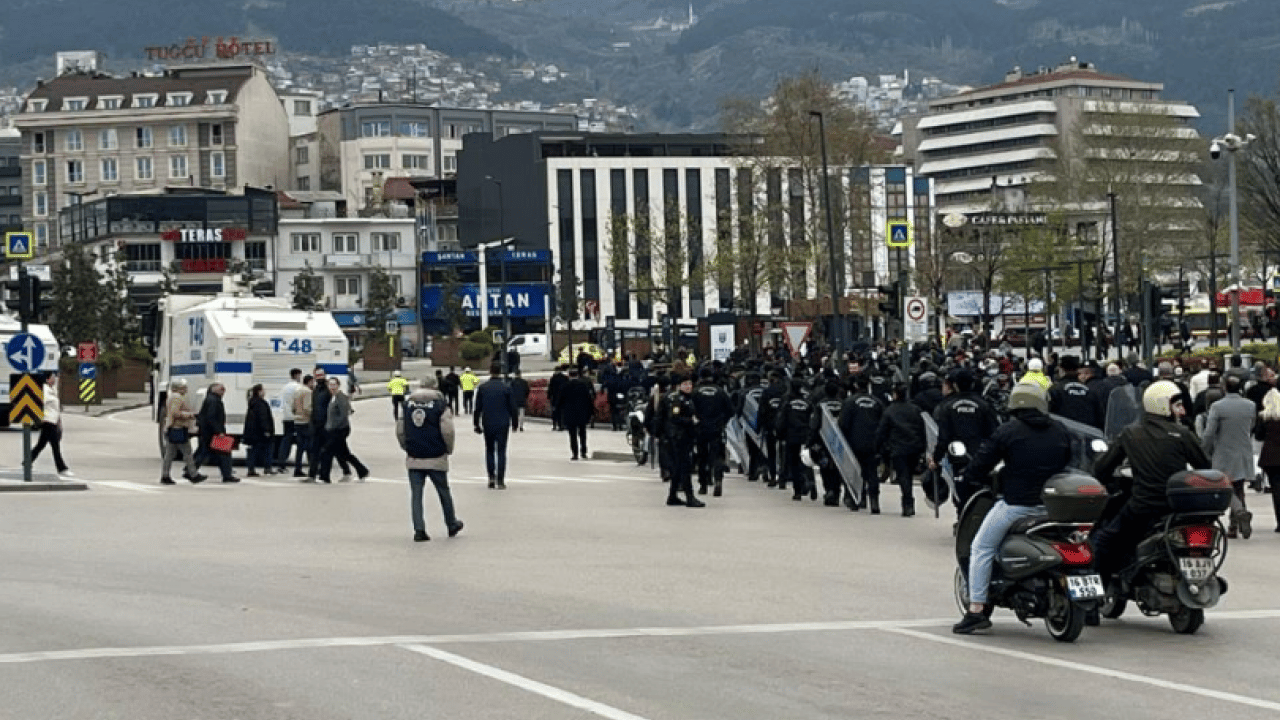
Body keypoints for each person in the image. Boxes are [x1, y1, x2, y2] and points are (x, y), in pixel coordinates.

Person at [953, 383, 1073, 634]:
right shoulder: (1060, 430)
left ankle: (976, 609)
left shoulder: (1008, 431)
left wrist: (968, 476)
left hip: (1018, 506)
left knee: (981, 547)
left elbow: (982, 462)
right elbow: (1067, 461)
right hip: (1054, 507)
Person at [1091, 381, 1212, 586]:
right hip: (1177, 507)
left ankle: (1097, 593)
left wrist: (1104, 477)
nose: (1182, 411)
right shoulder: (1182, 434)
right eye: (1177, 405)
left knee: (1103, 540)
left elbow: (1102, 468)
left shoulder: (1130, 434)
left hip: (1143, 506)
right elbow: (1205, 466)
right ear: (1163, 405)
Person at [397, 376, 464, 542]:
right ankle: (451, 523)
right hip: (436, 454)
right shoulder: (441, 405)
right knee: (443, 491)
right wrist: (448, 449)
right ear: (435, 387)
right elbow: (447, 431)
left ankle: (419, 529)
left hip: (414, 455)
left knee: (416, 494)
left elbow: (400, 429)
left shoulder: (407, 405)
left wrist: (406, 446)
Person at [931, 369, 1000, 510]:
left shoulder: (947, 407)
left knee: (960, 492)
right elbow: (995, 433)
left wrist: (936, 458)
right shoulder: (984, 405)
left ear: (955, 385)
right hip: (981, 457)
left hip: (958, 458)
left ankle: (962, 516)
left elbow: (944, 437)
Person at [1200, 375, 1256, 539]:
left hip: (1224, 452)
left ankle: (1238, 514)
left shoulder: (1217, 407)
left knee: (1224, 486)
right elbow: (1251, 426)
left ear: (1224, 387)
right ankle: (1235, 524)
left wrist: (1204, 450)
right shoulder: (1250, 405)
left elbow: (1209, 433)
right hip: (1243, 451)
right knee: (1239, 488)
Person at [875, 383, 926, 517]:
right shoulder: (915, 409)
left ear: (895, 394)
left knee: (903, 475)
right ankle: (908, 501)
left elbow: (882, 431)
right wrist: (923, 447)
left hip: (898, 447)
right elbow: (922, 428)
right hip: (914, 446)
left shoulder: (890, 411)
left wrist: (878, 447)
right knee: (908, 474)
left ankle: (908, 502)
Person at [840, 374, 885, 513]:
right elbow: (883, 423)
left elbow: (843, 424)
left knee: (855, 472)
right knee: (872, 473)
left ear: (856, 385)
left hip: (853, 443)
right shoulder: (877, 402)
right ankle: (874, 502)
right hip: (872, 443)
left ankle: (857, 499)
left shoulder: (849, 402)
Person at [473, 363, 519, 489]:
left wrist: (476, 424)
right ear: (500, 372)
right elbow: (513, 407)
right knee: (501, 451)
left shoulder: (483, 388)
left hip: (488, 422)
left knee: (489, 450)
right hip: (503, 423)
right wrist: (515, 423)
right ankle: (500, 479)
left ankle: (491, 477)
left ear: (490, 371)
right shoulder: (506, 388)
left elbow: (477, 408)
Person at [663, 373, 705, 508]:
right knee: (685, 467)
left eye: (690, 384)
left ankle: (672, 496)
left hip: (686, 436)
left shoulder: (689, 398)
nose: (688, 386)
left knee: (678, 467)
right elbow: (674, 417)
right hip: (680, 437)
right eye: (685, 384)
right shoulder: (678, 399)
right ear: (679, 386)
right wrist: (691, 421)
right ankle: (690, 497)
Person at [691, 368, 734, 496]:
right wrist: (722, 422)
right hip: (717, 428)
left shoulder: (695, 392)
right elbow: (731, 410)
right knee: (717, 455)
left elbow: (690, 409)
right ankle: (718, 480)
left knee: (702, 456)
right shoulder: (720, 392)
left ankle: (703, 484)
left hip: (700, 428)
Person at [322, 377, 369, 483]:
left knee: (326, 452)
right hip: (333, 429)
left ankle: (324, 477)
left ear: (338, 385)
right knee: (344, 453)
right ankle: (362, 471)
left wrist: (333, 427)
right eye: (330, 385)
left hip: (339, 430)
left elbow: (343, 415)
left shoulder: (341, 397)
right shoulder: (333, 397)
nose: (332, 387)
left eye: (334, 384)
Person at [159, 378, 204, 485]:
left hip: (173, 428)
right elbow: (175, 413)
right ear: (178, 388)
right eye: (184, 387)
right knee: (187, 452)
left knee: (170, 454)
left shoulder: (172, 396)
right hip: (178, 428)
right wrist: (190, 415)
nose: (186, 389)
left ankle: (165, 475)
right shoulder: (177, 397)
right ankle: (193, 474)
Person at [195, 383, 238, 483]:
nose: (223, 392)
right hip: (213, 433)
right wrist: (219, 431)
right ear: (214, 389)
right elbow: (212, 417)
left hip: (208, 432)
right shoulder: (214, 401)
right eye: (221, 389)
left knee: (204, 452)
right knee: (224, 453)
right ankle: (227, 475)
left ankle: (190, 470)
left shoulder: (212, 399)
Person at [30, 372, 71, 476]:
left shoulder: (52, 389)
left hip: (53, 421)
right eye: (53, 377)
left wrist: (58, 422)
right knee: (55, 446)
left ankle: (27, 462)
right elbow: (41, 403)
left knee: (41, 445)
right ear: (47, 379)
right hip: (47, 421)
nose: (55, 378)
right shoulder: (44, 390)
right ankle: (62, 468)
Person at [1252, 388, 1280, 533]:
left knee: (1276, 489)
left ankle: (1279, 521)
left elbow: (1258, 436)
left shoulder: (1264, 417)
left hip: (1270, 457)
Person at [559, 367, 595, 460]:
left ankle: (575, 453)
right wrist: (591, 411)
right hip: (582, 413)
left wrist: (560, 412)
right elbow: (589, 399)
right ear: (578, 375)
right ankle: (584, 451)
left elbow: (560, 401)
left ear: (569, 375)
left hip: (570, 413)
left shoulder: (565, 386)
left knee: (572, 435)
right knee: (582, 433)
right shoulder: (583, 385)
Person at [243, 383, 276, 477]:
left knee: (253, 450)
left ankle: (251, 469)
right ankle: (267, 468)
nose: (264, 392)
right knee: (267, 450)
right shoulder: (260, 403)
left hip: (253, 432)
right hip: (260, 432)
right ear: (259, 392)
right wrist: (267, 430)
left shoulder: (252, 402)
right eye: (263, 390)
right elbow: (263, 417)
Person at [275, 368, 303, 473]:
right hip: (295, 417)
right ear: (296, 375)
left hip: (286, 417)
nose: (300, 377)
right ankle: (298, 465)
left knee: (286, 440)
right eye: (299, 375)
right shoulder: (298, 387)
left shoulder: (285, 387)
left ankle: (281, 463)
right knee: (301, 441)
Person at [291, 375, 315, 480]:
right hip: (305, 421)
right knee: (310, 446)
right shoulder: (307, 392)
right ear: (309, 382)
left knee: (300, 447)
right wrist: (313, 416)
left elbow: (293, 406)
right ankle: (312, 468)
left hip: (297, 420)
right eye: (312, 382)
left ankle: (297, 468)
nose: (313, 384)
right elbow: (307, 407)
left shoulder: (297, 390)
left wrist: (296, 413)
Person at [548, 365, 568, 431]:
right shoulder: (564, 377)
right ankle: (563, 425)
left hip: (555, 397)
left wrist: (549, 396)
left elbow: (550, 388)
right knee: (563, 411)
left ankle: (555, 425)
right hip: (564, 397)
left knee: (555, 411)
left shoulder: (553, 378)